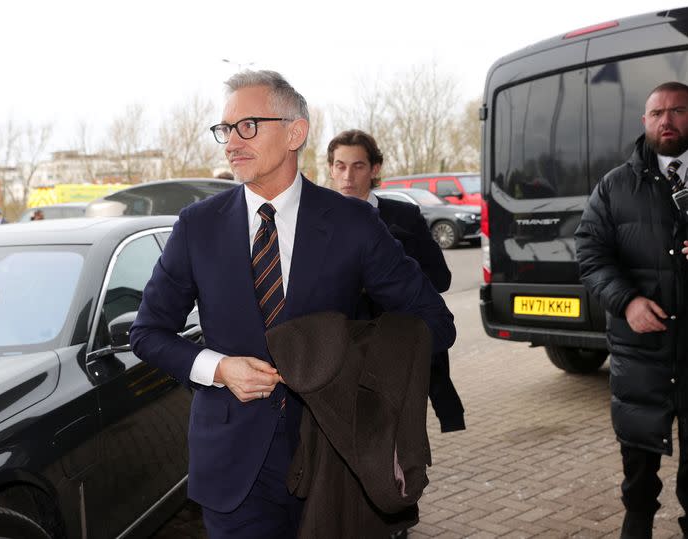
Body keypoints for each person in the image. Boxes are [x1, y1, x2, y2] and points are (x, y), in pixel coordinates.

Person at [129, 70, 455, 539]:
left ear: (295, 132)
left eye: (249, 126)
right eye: (226, 129)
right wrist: (218, 369)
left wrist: (342, 357)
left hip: (335, 458)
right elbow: (146, 333)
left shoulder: (353, 223)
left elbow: (434, 324)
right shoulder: (197, 227)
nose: (232, 142)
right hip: (233, 467)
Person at [576, 81, 688, 538]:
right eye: (657, 112)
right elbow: (590, 252)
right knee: (639, 461)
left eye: (679, 110)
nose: (667, 120)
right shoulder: (615, 186)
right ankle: (637, 523)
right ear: (644, 121)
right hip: (641, 348)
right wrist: (627, 301)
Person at [327, 129, 465, 434]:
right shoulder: (317, 221)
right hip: (343, 359)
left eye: (358, 166)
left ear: (375, 169)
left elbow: (440, 278)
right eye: (340, 165)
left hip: (398, 353)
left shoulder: (403, 216)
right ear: (331, 168)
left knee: (400, 447)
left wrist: (390, 273)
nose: (347, 175)